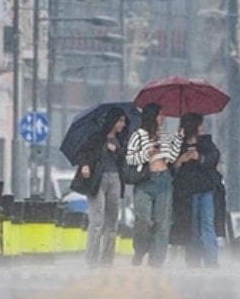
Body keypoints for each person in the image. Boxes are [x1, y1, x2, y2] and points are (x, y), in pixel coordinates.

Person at [126, 102, 181, 267]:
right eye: (160, 114)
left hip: (164, 179)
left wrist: (178, 138)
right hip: (145, 180)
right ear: (152, 116)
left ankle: (157, 261)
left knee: (162, 223)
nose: (163, 117)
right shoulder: (138, 135)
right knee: (144, 220)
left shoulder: (164, 135)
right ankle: (140, 250)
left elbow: (171, 157)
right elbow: (130, 158)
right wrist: (147, 154)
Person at [75, 108, 129, 268]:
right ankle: (92, 260)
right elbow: (82, 153)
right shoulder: (96, 138)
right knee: (97, 221)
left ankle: (107, 261)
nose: (123, 124)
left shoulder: (122, 139)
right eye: (120, 121)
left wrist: (117, 150)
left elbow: (126, 159)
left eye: (124, 121)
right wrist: (84, 165)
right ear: (113, 121)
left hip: (115, 179)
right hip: (97, 180)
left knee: (112, 223)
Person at [172, 113, 222, 268]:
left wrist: (199, 157)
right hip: (187, 192)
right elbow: (171, 168)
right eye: (199, 124)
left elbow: (214, 158)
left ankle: (211, 261)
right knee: (191, 226)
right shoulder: (177, 145)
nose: (202, 127)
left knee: (208, 224)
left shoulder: (206, 142)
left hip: (206, 189)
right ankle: (193, 261)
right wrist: (181, 160)